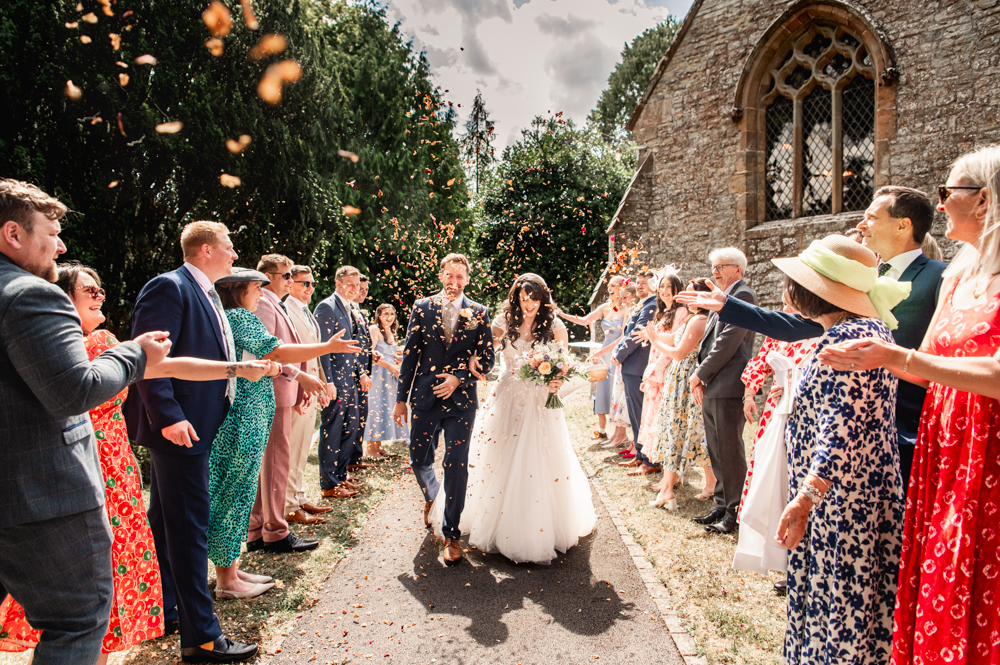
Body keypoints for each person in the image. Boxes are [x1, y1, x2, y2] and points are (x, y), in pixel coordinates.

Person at [1, 262, 269, 661]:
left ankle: (159, 622)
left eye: (100, 290)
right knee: (87, 592)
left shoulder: (103, 338)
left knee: (122, 563)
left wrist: (237, 369)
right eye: (89, 291)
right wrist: (164, 406)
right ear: (63, 297)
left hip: (115, 460)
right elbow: (95, 384)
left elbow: (163, 364)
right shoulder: (52, 339)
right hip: (78, 468)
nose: (100, 296)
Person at [818, 145, 1000, 665]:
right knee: (937, 576)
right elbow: (927, 366)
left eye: (949, 193)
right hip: (944, 447)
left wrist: (896, 354)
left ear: (984, 200)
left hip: (987, 455)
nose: (940, 206)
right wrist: (872, 360)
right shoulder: (959, 274)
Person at [0, 179, 167, 665]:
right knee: (78, 619)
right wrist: (134, 354)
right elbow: (75, 389)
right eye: (51, 233)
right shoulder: (31, 294)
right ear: (13, 233)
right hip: (41, 496)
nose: (61, 244)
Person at [677, 188, 945, 490]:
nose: (861, 224)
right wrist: (727, 305)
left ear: (903, 225)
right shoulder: (855, 279)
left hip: (908, 428)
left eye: (872, 217)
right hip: (841, 429)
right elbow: (795, 326)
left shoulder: (941, 277)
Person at [767, 234, 909, 665]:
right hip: (851, 491)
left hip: (845, 501)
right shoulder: (862, 330)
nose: (787, 288)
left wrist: (805, 499)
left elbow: (841, 430)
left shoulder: (849, 340)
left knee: (842, 604)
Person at [132, 220, 266, 663]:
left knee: (165, 526)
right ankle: (203, 638)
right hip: (180, 429)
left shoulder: (206, 291)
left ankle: (166, 610)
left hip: (201, 424)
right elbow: (152, 357)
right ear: (205, 249)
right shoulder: (168, 288)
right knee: (190, 529)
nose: (233, 253)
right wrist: (168, 415)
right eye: (228, 246)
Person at [208, 267, 359, 598]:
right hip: (245, 417)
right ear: (238, 291)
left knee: (239, 493)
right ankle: (226, 579)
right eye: (255, 288)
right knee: (236, 494)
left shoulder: (228, 317)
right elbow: (275, 350)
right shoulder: (241, 318)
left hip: (244, 414)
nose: (261, 294)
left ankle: (229, 572)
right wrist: (325, 347)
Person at [435, 273, 596, 563]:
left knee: (539, 459)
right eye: (523, 300)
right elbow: (479, 349)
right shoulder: (501, 322)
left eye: (534, 300)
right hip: (507, 396)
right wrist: (472, 359)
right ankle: (492, 521)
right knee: (498, 454)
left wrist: (558, 381)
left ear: (542, 299)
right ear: (516, 299)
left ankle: (535, 527)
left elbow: (563, 365)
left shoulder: (556, 326)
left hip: (540, 402)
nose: (529, 305)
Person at [392, 253, 496, 567]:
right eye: (449, 276)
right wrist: (400, 399)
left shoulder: (479, 312)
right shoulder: (421, 307)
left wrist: (459, 377)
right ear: (441, 276)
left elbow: (488, 360)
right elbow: (410, 355)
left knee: (456, 463)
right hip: (424, 398)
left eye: (460, 277)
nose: (454, 282)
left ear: (467, 279)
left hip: (461, 402)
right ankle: (433, 497)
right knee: (418, 458)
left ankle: (451, 533)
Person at [245, 255, 328, 556]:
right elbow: (268, 351)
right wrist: (301, 377)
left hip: (286, 389)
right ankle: (275, 532)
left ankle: (256, 529)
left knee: (271, 464)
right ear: (267, 277)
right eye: (286, 276)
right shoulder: (265, 303)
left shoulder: (274, 303)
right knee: (276, 464)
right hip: (273, 391)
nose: (291, 281)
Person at [690, 248, 758, 534]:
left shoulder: (742, 295)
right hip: (714, 383)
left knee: (730, 450)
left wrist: (699, 374)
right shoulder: (722, 297)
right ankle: (721, 504)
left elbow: (727, 342)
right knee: (716, 448)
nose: (715, 271)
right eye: (714, 266)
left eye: (722, 266)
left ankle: (734, 512)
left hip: (729, 383)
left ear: (738, 270)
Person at [737, 292, 818, 516]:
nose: (786, 309)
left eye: (792, 305)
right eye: (784, 304)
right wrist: (750, 394)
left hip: (804, 411)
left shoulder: (820, 332)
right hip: (774, 409)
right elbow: (760, 362)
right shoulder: (780, 330)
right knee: (766, 464)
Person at [639, 278, 715, 509]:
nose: (684, 298)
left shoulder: (700, 320)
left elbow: (679, 352)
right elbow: (673, 338)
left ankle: (667, 490)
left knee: (678, 432)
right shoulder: (692, 318)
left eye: (690, 294)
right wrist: (653, 335)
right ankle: (709, 483)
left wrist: (654, 341)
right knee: (686, 433)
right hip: (677, 379)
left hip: (684, 381)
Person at [284, 265, 336, 525]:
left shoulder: (306, 312)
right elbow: (288, 354)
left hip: (312, 385)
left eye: (312, 283)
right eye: (304, 283)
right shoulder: (286, 310)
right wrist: (302, 387)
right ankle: (288, 505)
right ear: (289, 283)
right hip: (297, 388)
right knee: (293, 447)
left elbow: (316, 353)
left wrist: (323, 384)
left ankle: (299, 495)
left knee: (304, 445)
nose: (310, 288)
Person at [314, 266, 367, 498]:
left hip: (350, 381)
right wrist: (328, 381)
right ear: (338, 284)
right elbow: (322, 349)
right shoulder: (327, 307)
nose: (355, 289)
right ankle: (328, 484)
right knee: (332, 430)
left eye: (357, 285)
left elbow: (351, 347)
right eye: (351, 284)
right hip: (335, 381)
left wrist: (361, 373)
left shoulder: (349, 308)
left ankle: (341, 476)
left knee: (351, 428)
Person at [556, 274, 626, 441]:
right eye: (609, 285)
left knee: (617, 391)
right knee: (601, 388)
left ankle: (620, 433)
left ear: (622, 289)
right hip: (603, 353)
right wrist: (562, 314)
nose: (610, 288)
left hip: (618, 353)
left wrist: (602, 352)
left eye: (614, 286)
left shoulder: (627, 309)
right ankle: (602, 431)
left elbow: (623, 336)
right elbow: (585, 320)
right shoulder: (604, 308)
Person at [635, 270, 687, 494]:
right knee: (656, 422)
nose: (665, 291)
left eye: (669, 287)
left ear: (678, 290)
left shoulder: (682, 312)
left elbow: (676, 345)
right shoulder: (662, 312)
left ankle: (672, 478)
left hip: (667, 373)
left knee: (666, 425)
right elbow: (654, 345)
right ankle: (668, 476)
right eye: (662, 287)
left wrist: (655, 372)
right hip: (655, 370)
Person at [613, 271, 660, 475]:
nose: (639, 286)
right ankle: (641, 455)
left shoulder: (651, 306)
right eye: (638, 283)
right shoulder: (643, 305)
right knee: (634, 414)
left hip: (639, 365)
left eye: (644, 283)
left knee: (642, 414)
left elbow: (636, 335)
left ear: (654, 285)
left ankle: (650, 460)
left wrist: (619, 354)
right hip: (631, 367)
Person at [362, 304, 408, 454]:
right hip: (377, 374)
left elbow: (388, 352)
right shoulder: (374, 329)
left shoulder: (391, 331)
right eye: (385, 314)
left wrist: (398, 358)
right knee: (375, 408)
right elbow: (370, 353)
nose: (389, 317)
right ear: (378, 315)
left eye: (392, 314)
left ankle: (379, 446)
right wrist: (389, 366)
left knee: (384, 408)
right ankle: (370, 449)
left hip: (389, 376)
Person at [604, 283, 637, 452]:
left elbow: (626, 337)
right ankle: (618, 434)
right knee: (617, 398)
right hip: (620, 358)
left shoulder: (634, 312)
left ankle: (629, 439)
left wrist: (617, 353)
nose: (622, 301)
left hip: (627, 358)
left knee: (625, 400)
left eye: (625, 297)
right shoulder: (631, 312)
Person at [351, 275, 377, 470]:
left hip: (364, 372)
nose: (363, 292)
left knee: (361, 418)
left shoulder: (359, 311)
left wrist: (371, 353)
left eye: (366, 289)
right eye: (360, 288)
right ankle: (346, 464)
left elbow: (362, 343)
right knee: (350, 422)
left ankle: (355, 460)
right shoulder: (345, 311)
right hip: (352, 374)